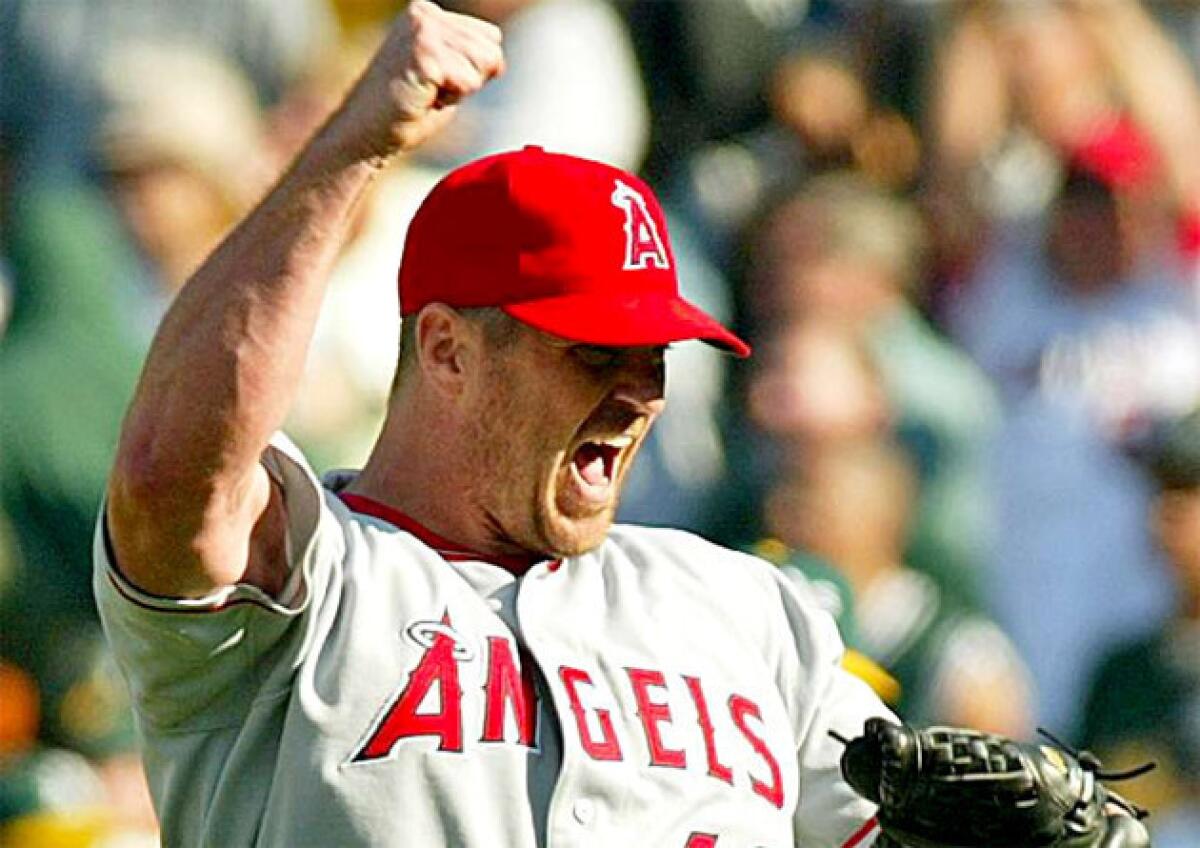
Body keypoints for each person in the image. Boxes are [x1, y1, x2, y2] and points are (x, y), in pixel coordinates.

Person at [93, 4, 893, 846]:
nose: (639, 395)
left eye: (652, 356)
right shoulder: (305, 581)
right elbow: (169, 474)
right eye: (595, 352)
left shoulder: (749, 611)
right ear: (446, 351)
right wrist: (349, 150)